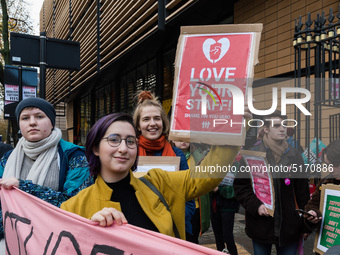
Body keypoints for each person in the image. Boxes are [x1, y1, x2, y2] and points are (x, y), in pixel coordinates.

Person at [60, 112, 241, 240]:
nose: (123, 148)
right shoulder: (72, 208)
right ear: (95, 148)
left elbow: (207, 175)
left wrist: (231, 129)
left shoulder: (160, 182)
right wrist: (88, 232)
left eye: (130, 141)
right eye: (114, 139)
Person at [0, 97, 92, 250]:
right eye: (25, 118)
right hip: (12, 241)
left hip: (56, 242)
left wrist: (23, 188)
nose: (32, 122)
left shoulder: (73, 156)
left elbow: (76, 205)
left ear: (51, 122)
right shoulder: (8, 158)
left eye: (39, 116)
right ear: (19, 124)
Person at [234, 110, 310, 255]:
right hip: (261, 227)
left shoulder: (295, 156)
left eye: (284, 125)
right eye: (276, 125)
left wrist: (305, 225)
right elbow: (241, 187)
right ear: (266, 129)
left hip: (290, 229)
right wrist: (256, 206)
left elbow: (302, 192)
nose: (282, 129)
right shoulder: (252, 156)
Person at [132, 91, 195, 240]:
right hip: (140, 231)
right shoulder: (130, 154)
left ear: (163, 123)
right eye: (146, 119)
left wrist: (170, 222)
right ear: (139, 126)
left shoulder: (177, 154)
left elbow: (189, 198)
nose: (152, 123)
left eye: (157, 118)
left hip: (172, 232)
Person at [172, 140, 210, 243]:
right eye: (179, 138)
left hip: (195, 208)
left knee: (192, 241)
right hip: (174, 207)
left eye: (186, 138)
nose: (183, 141)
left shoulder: (198, 157)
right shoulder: (168, 155)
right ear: (172, 139)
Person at [304, 140, 340, 229]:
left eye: (334, 165)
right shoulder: (325, 182)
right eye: (328, 165)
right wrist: (313, 213)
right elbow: (314, 203)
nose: (331, 169)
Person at [211, 161, 240, 255]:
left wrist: (219, 189)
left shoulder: (237, 165)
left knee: (227, 236)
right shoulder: (214, 163)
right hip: (215, 204)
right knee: (218, 236)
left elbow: (237, 189)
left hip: (228, 206)